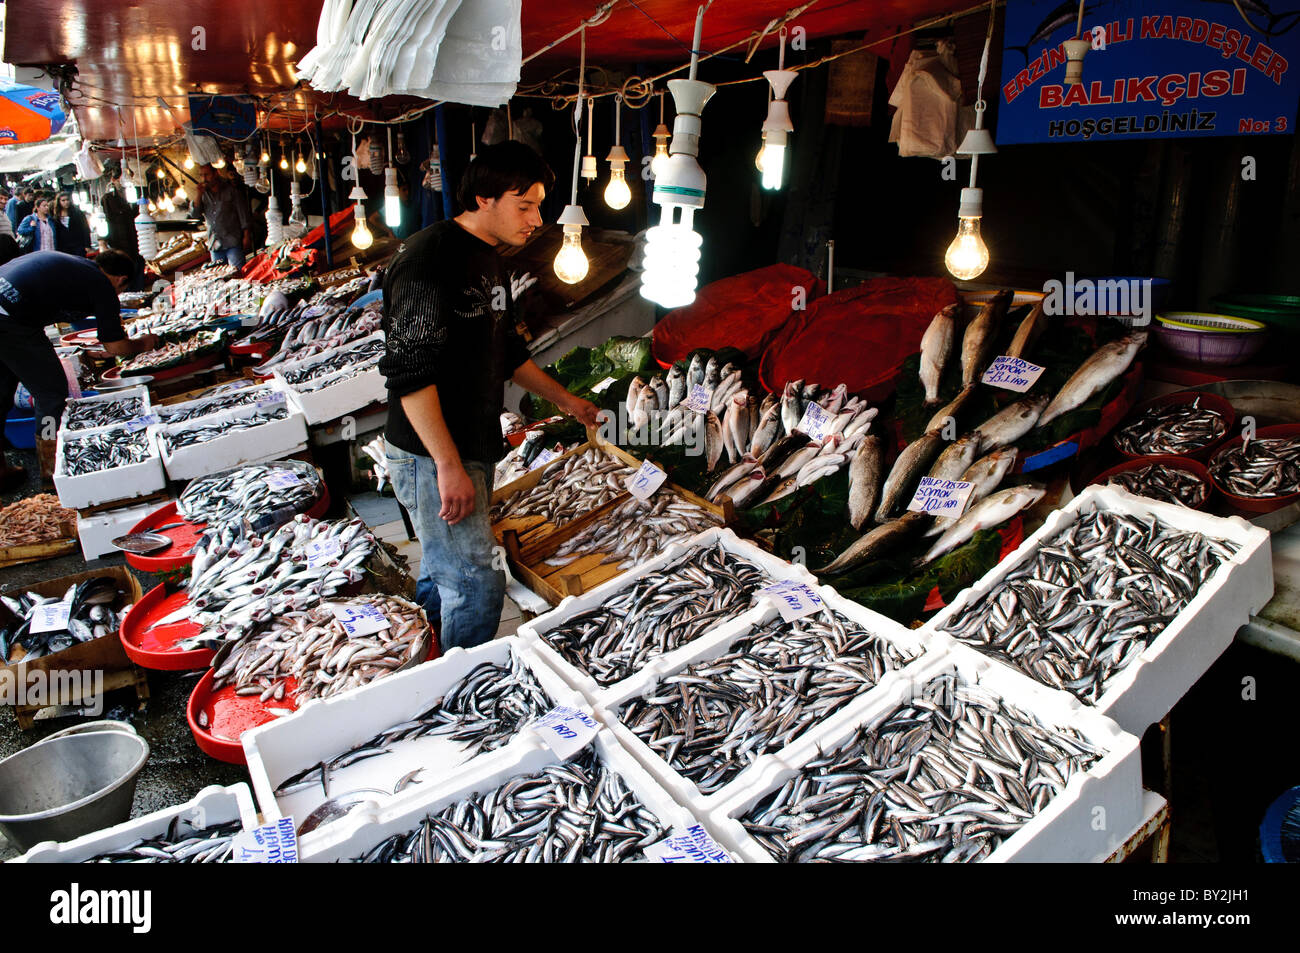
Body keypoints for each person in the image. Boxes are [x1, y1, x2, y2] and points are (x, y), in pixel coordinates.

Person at [380, 141, 601, 650]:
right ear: (483, 198)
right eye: (524, 205)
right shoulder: (428, 260)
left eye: (538, 206)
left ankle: (427, 657)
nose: (536, 219)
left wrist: (569, 402)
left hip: (470, 445)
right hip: (431, 452)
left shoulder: (490, 260)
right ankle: (462, 692)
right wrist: (447, 464)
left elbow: (506, 353)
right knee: (477, 584)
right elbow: (409, 374)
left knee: (444, 572)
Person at [0, 250, 161, 485]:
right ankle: (51, 467)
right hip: (10, 320)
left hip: (7, 307)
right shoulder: (101, 285)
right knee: (50, 393)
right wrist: (144, 343)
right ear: (121, 279)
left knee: (1, 393)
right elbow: (116, 347)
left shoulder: (80, 267)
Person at [195, 164, 253, 268]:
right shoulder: (203, 195)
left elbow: (243, 215)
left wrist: (246, 236)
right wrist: (198, 194)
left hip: (232, 241)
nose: (204, 179)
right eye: (201, 175)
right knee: (219, 276)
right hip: (215, 243)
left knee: (237, 273)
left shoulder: (231, 191)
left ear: (216, 173)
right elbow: (195, 213)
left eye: (207, 175)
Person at [54, 192, 92, 257]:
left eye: (67, 200)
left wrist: (87, 245)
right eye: (63, 200)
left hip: (78, 244)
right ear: (59, 202)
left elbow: (85, 228)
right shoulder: (56, 215)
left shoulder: (77, 213)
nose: (66, 202)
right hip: (64, 247)